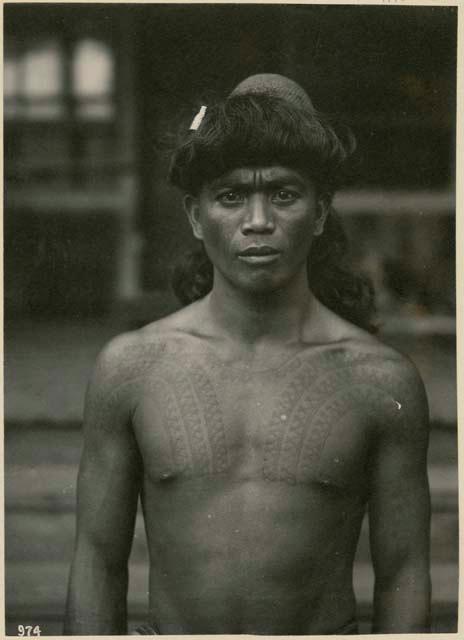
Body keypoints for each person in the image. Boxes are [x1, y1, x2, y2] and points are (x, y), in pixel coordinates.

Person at [64, 74, 431, 635]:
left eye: (283, 194)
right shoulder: (133, 367)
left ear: (321, 211)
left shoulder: (380, 381)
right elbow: (96, 559)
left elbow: (403, 573)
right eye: (231, 196)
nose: (258, 222)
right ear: (194, 215)